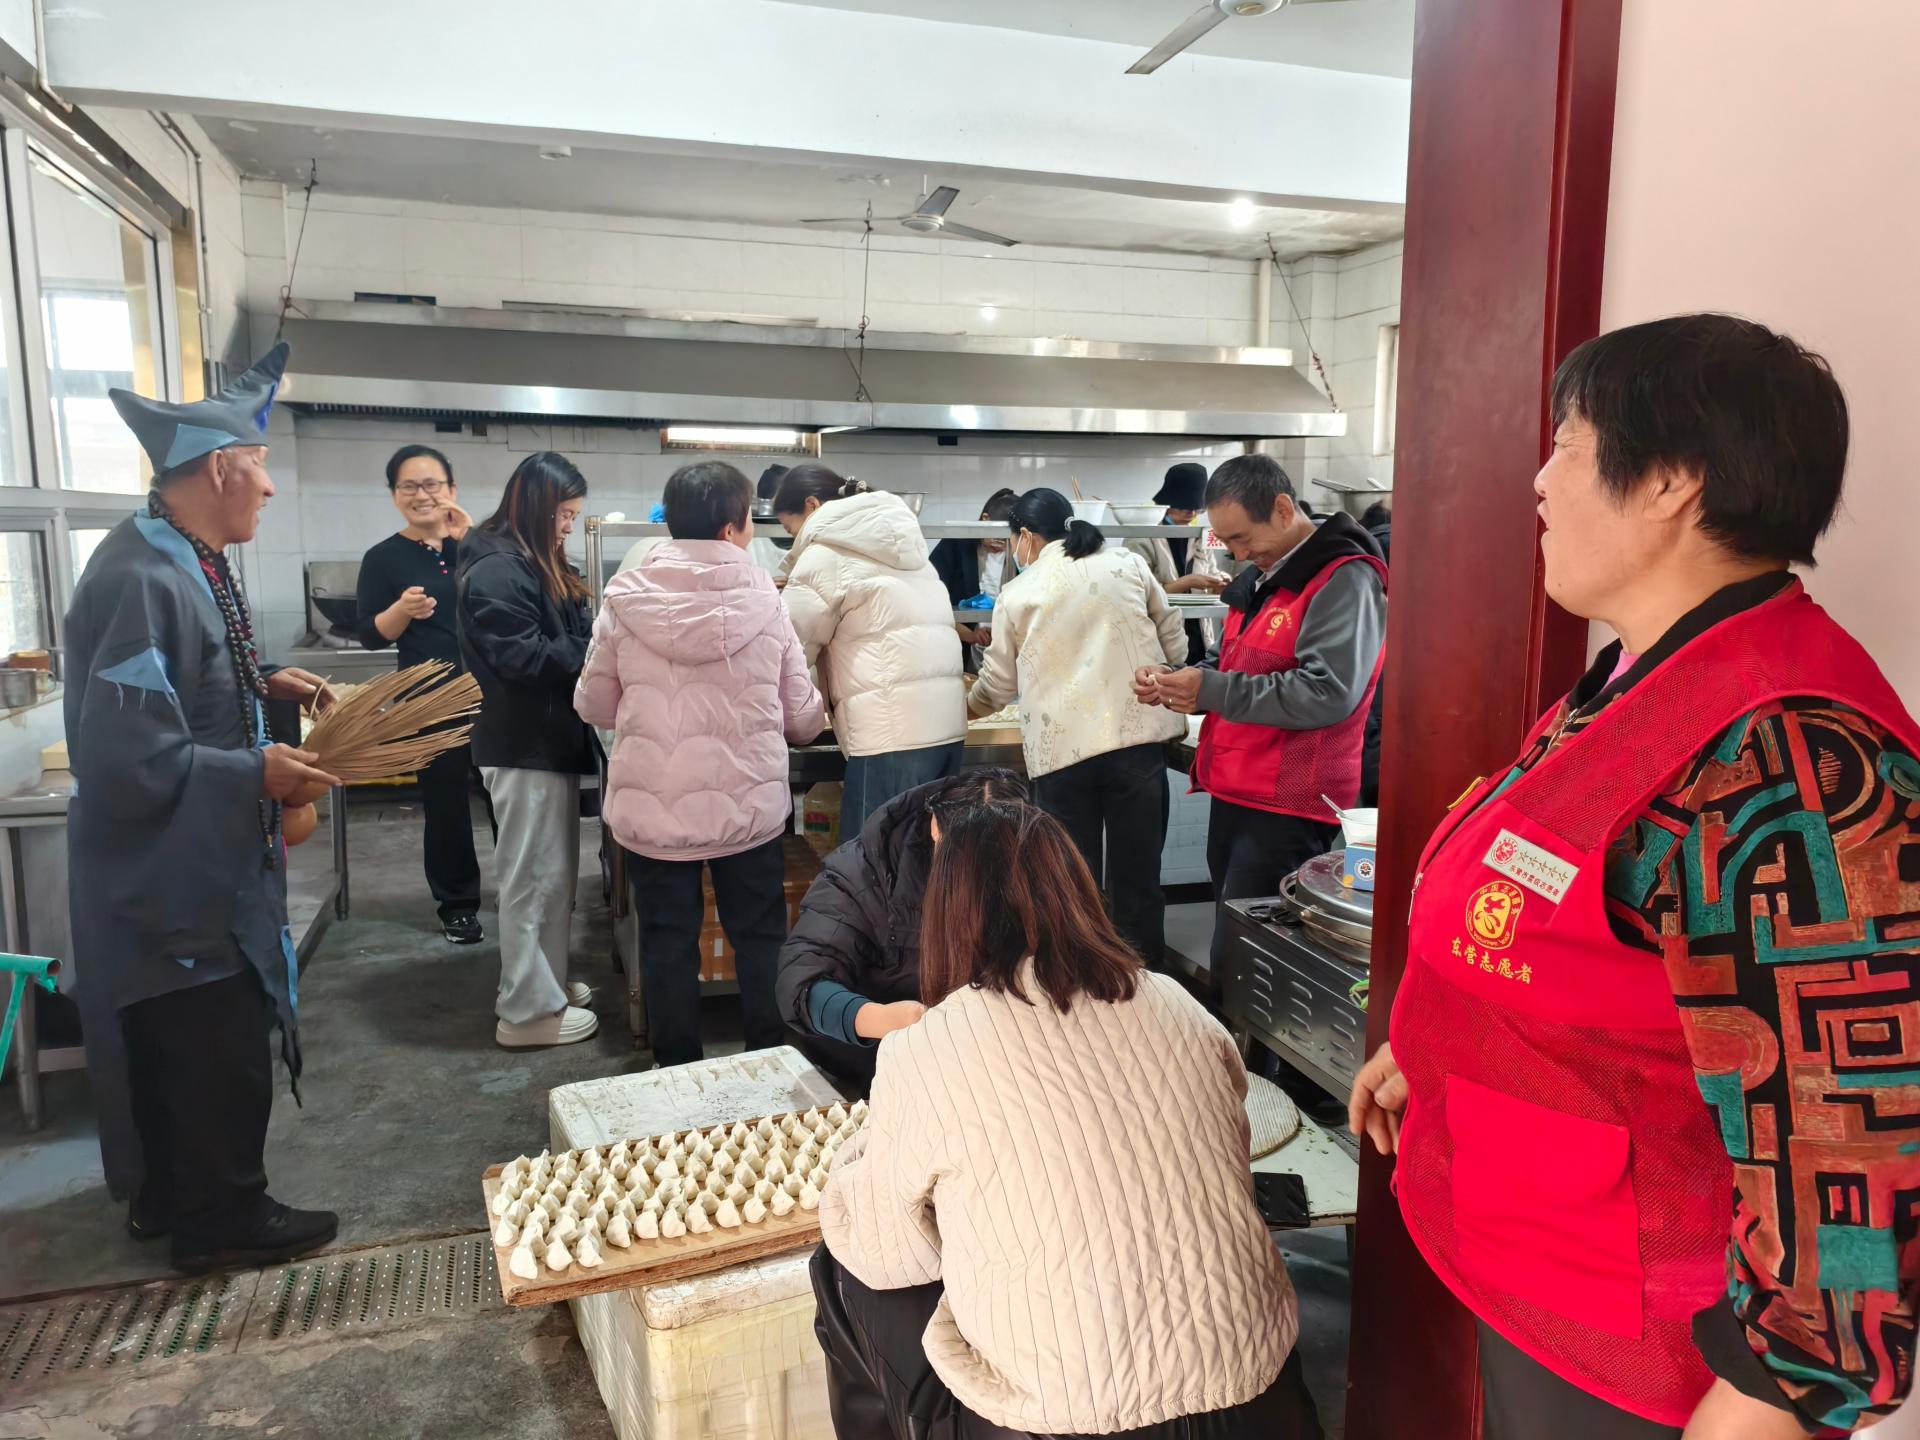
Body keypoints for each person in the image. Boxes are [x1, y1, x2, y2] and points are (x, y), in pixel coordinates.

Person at [1348, 315, 1920, 1439]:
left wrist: (1770, 1401)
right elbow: (1586, 927)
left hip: (1649, 1354)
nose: (1541, 479)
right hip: (1544, 1266)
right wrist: (1443, 1042)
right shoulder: (1643, 678)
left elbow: (1851, 1169)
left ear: (1670, 479)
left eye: (1567, 441)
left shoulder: (1786, 760)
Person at [814, 799, 1322, 1440]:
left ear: (947, 912)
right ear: (1077, 890)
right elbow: (1227, 1161)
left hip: (1067, 1421)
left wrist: (861, 1157)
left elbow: (887, 1252)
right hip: (1262, 1397)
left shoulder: (928, 1049)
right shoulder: (1178, 1003)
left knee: (841, 1266)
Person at [66, 341, 342, 1272]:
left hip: (193, 865)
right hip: (171, 880)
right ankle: (220, 1217)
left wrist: (264, 682)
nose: (268, 486)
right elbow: (127, 757)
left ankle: (176, 1195)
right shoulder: (140, 578)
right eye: (258, 466)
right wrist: (256, 772)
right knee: (202, 1041)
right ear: (220, 470)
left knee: (185, 1040)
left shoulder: (183, 556)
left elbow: (184, 689)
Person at [576, 460, 824, 1066]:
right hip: (748, 810)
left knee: (665, 942)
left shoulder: (624, 599)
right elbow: (802, 719)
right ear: (734, 527)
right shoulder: (768, 600)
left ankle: (675, 1069)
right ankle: (769, 1062)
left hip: (655, 812)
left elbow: (594, 705)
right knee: (761, 938)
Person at [1134, 455, 1386, 992]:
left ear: (1283, 508)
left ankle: (1247, 1050)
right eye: (1227, 542)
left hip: (1288, 801)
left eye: (1242, 538)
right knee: (1233, 945)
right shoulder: (1268, 576)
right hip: (1239, 790)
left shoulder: (1343, 578)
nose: (1239, 554)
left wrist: (1213, 690)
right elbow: (1236, 663)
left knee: (1255, 962)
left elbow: (1328, 693)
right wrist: (1185, 682)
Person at [969, 488, 1187, 965]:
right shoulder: (1126, 563)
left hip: (1062, 754)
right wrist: (1170, 667)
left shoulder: (1019, 592)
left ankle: (1082, 981)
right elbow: (1172, 633)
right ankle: (1146, 984)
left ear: (1026, 537)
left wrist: (971, 706)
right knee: (1138, 880)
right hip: (1137, 741)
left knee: (1070, 884)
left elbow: (998, 683)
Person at [456, 451, 598, 1049]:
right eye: (563, 515)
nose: (567, 527)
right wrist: (594, 646)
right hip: (522, 744)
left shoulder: (528, 559)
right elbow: (524, 657)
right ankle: (526, 1014)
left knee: (551, 877)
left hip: (545, 742)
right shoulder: (496, 569)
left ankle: (547, 984)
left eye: (573, 517)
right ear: (536, 506)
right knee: (531, 879)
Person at [774, 768, 1030, 1085]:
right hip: (875, 1059)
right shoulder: (864, 870)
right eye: (963, 861)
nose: (977, 880)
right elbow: (801, 983)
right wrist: (880, 1019)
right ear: (936, 826)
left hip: (984, 1059)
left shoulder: (1032, 872)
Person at [775, 464, 966, 828]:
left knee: (872, 858)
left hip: (888, 738)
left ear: (812, 505)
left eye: (790, 529)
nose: (793, 539)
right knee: (928, 854)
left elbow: (789, 653)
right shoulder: (907, 545)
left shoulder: (825, 556)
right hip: (946, 731)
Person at [355, 444, 485, 945]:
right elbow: (370, 634)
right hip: (429, 698)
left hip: (492, 693)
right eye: (408, 486)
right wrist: (400, 612)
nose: (421, 495)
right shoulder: (383, 558)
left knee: (507, 798)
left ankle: (525, 890)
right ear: (394, 495)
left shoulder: (476, 545)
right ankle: (458, 904)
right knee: (446, 804)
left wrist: (470, 538)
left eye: (432, 484)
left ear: (452, 490)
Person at [1124, 461, 1230, 662]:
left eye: (1197, 508)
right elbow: (1136, 593)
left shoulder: (1199, 536)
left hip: (1200, 638)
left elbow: (1211, 581)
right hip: (1159, 639)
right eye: (1185, 507)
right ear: (1168, 502)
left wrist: (1219, 583)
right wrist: (1187, 582)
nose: (1192, 514)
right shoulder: (1141, 536)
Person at [929, 487, 1018, 670]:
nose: (1000, 544)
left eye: (1007, 539)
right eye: (997, 537)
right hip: (958, 647)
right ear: (985, 519)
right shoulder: (955, 543)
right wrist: (969, 635)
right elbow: (930, 597)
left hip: (1008, 650)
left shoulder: (1018, 553)